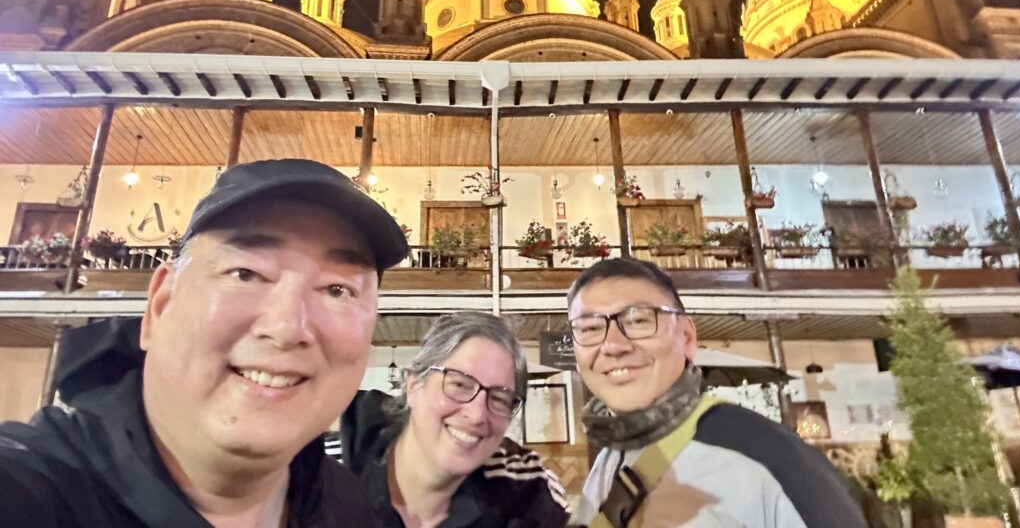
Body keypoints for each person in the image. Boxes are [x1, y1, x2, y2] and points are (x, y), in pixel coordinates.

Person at [0, 158, 410, 527]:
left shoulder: (356, 510)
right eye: (245, 273)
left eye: (337, 290)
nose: (287, 327)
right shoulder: (30, 489)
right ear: (160, 304)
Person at [567, 258, 866, 528]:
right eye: (590, 328)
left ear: (687, 338)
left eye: (638, 320)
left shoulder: (770, 457)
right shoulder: (607, 460)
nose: (613, 345)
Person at [336, 311, 570, 527]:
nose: (477, 415)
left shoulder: (526, 487)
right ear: (413, 386)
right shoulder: (328, 462)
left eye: (499, 399)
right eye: (459, 385)